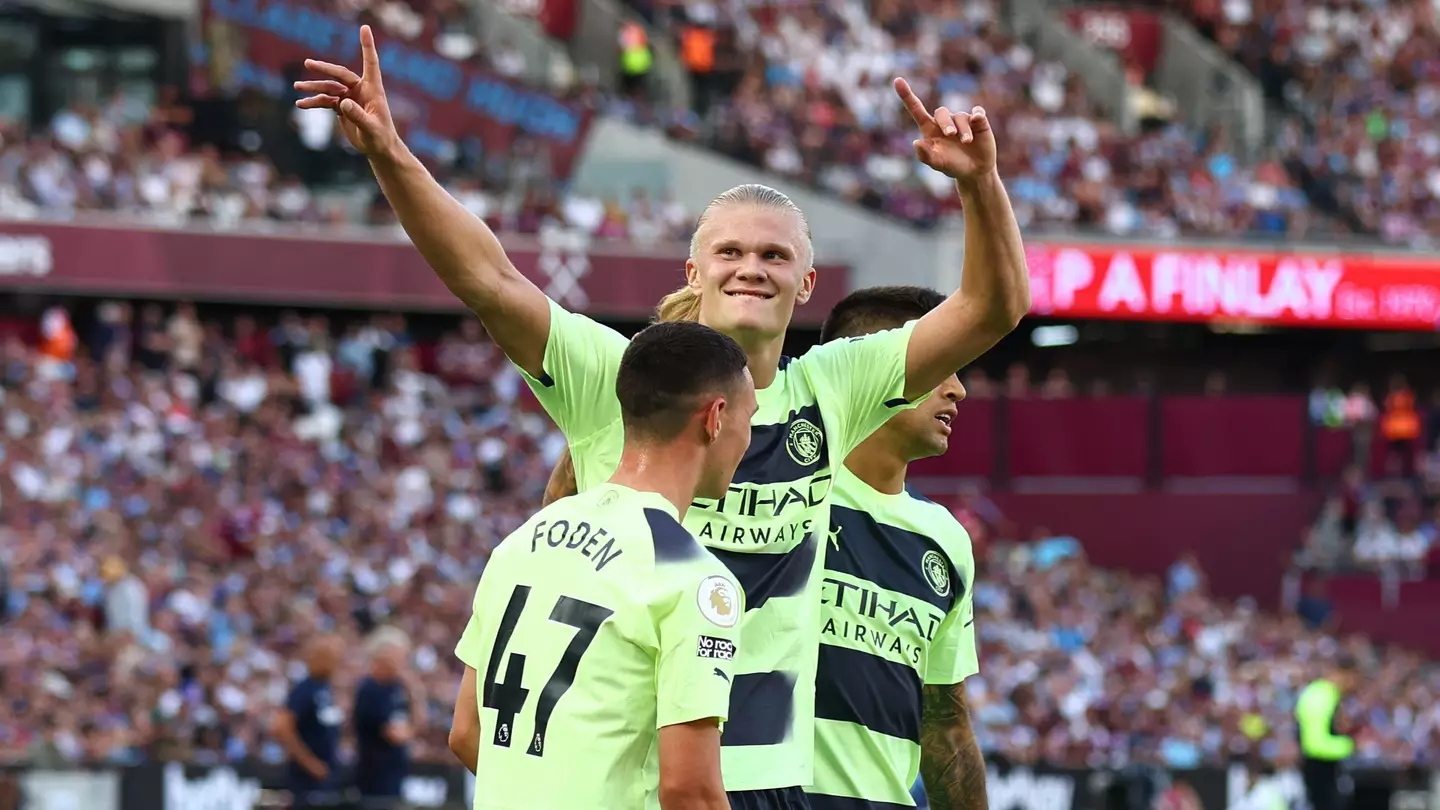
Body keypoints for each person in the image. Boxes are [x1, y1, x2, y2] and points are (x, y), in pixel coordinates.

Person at [298, 28, 1028, 807]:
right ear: (694, 270)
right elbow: (490, 279)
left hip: (769, 781)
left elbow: (993, 307)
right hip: (649, 782)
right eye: (730, 252)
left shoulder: (832, 389)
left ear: (807, 282)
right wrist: (390, 154)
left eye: (776, 256)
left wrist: (980, 184)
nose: (751, 266)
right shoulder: (619, 378)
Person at [448, 321, 756, 810]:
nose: (749, 437)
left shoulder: (523, 540)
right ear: (715, 418)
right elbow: (690, 791)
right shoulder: (692, 576)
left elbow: (467, 732)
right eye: (750, 417)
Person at [804, 286, 984, 810]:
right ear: (872, 368)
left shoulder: (945, 538)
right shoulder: (775, 488)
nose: (959, 390)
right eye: (941, 367)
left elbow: (946, 728)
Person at [272, 635, 345, 808]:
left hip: (326, 775)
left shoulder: (326, 688)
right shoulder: (304, 690)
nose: (334, 661)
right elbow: (281, 727)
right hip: (306, 780)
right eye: (329, 655)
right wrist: (309, 762)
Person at [353, 628, 421, 808]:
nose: (404, 661)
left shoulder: (397, 688)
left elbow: (420, 723)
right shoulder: (370, 690)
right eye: (400, 656)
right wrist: (411, 731)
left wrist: (415, 692)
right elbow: (397, 735)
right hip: (375, 778)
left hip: (395, 773)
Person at [1295, 655, 1360, 810]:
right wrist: (1352, 746)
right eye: (1355, 679)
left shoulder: (1329, 695)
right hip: (1318, 776)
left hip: (1326, 775)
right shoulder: (1320, 696)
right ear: (1345, 674)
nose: (1355, 685)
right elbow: (1314, 744)